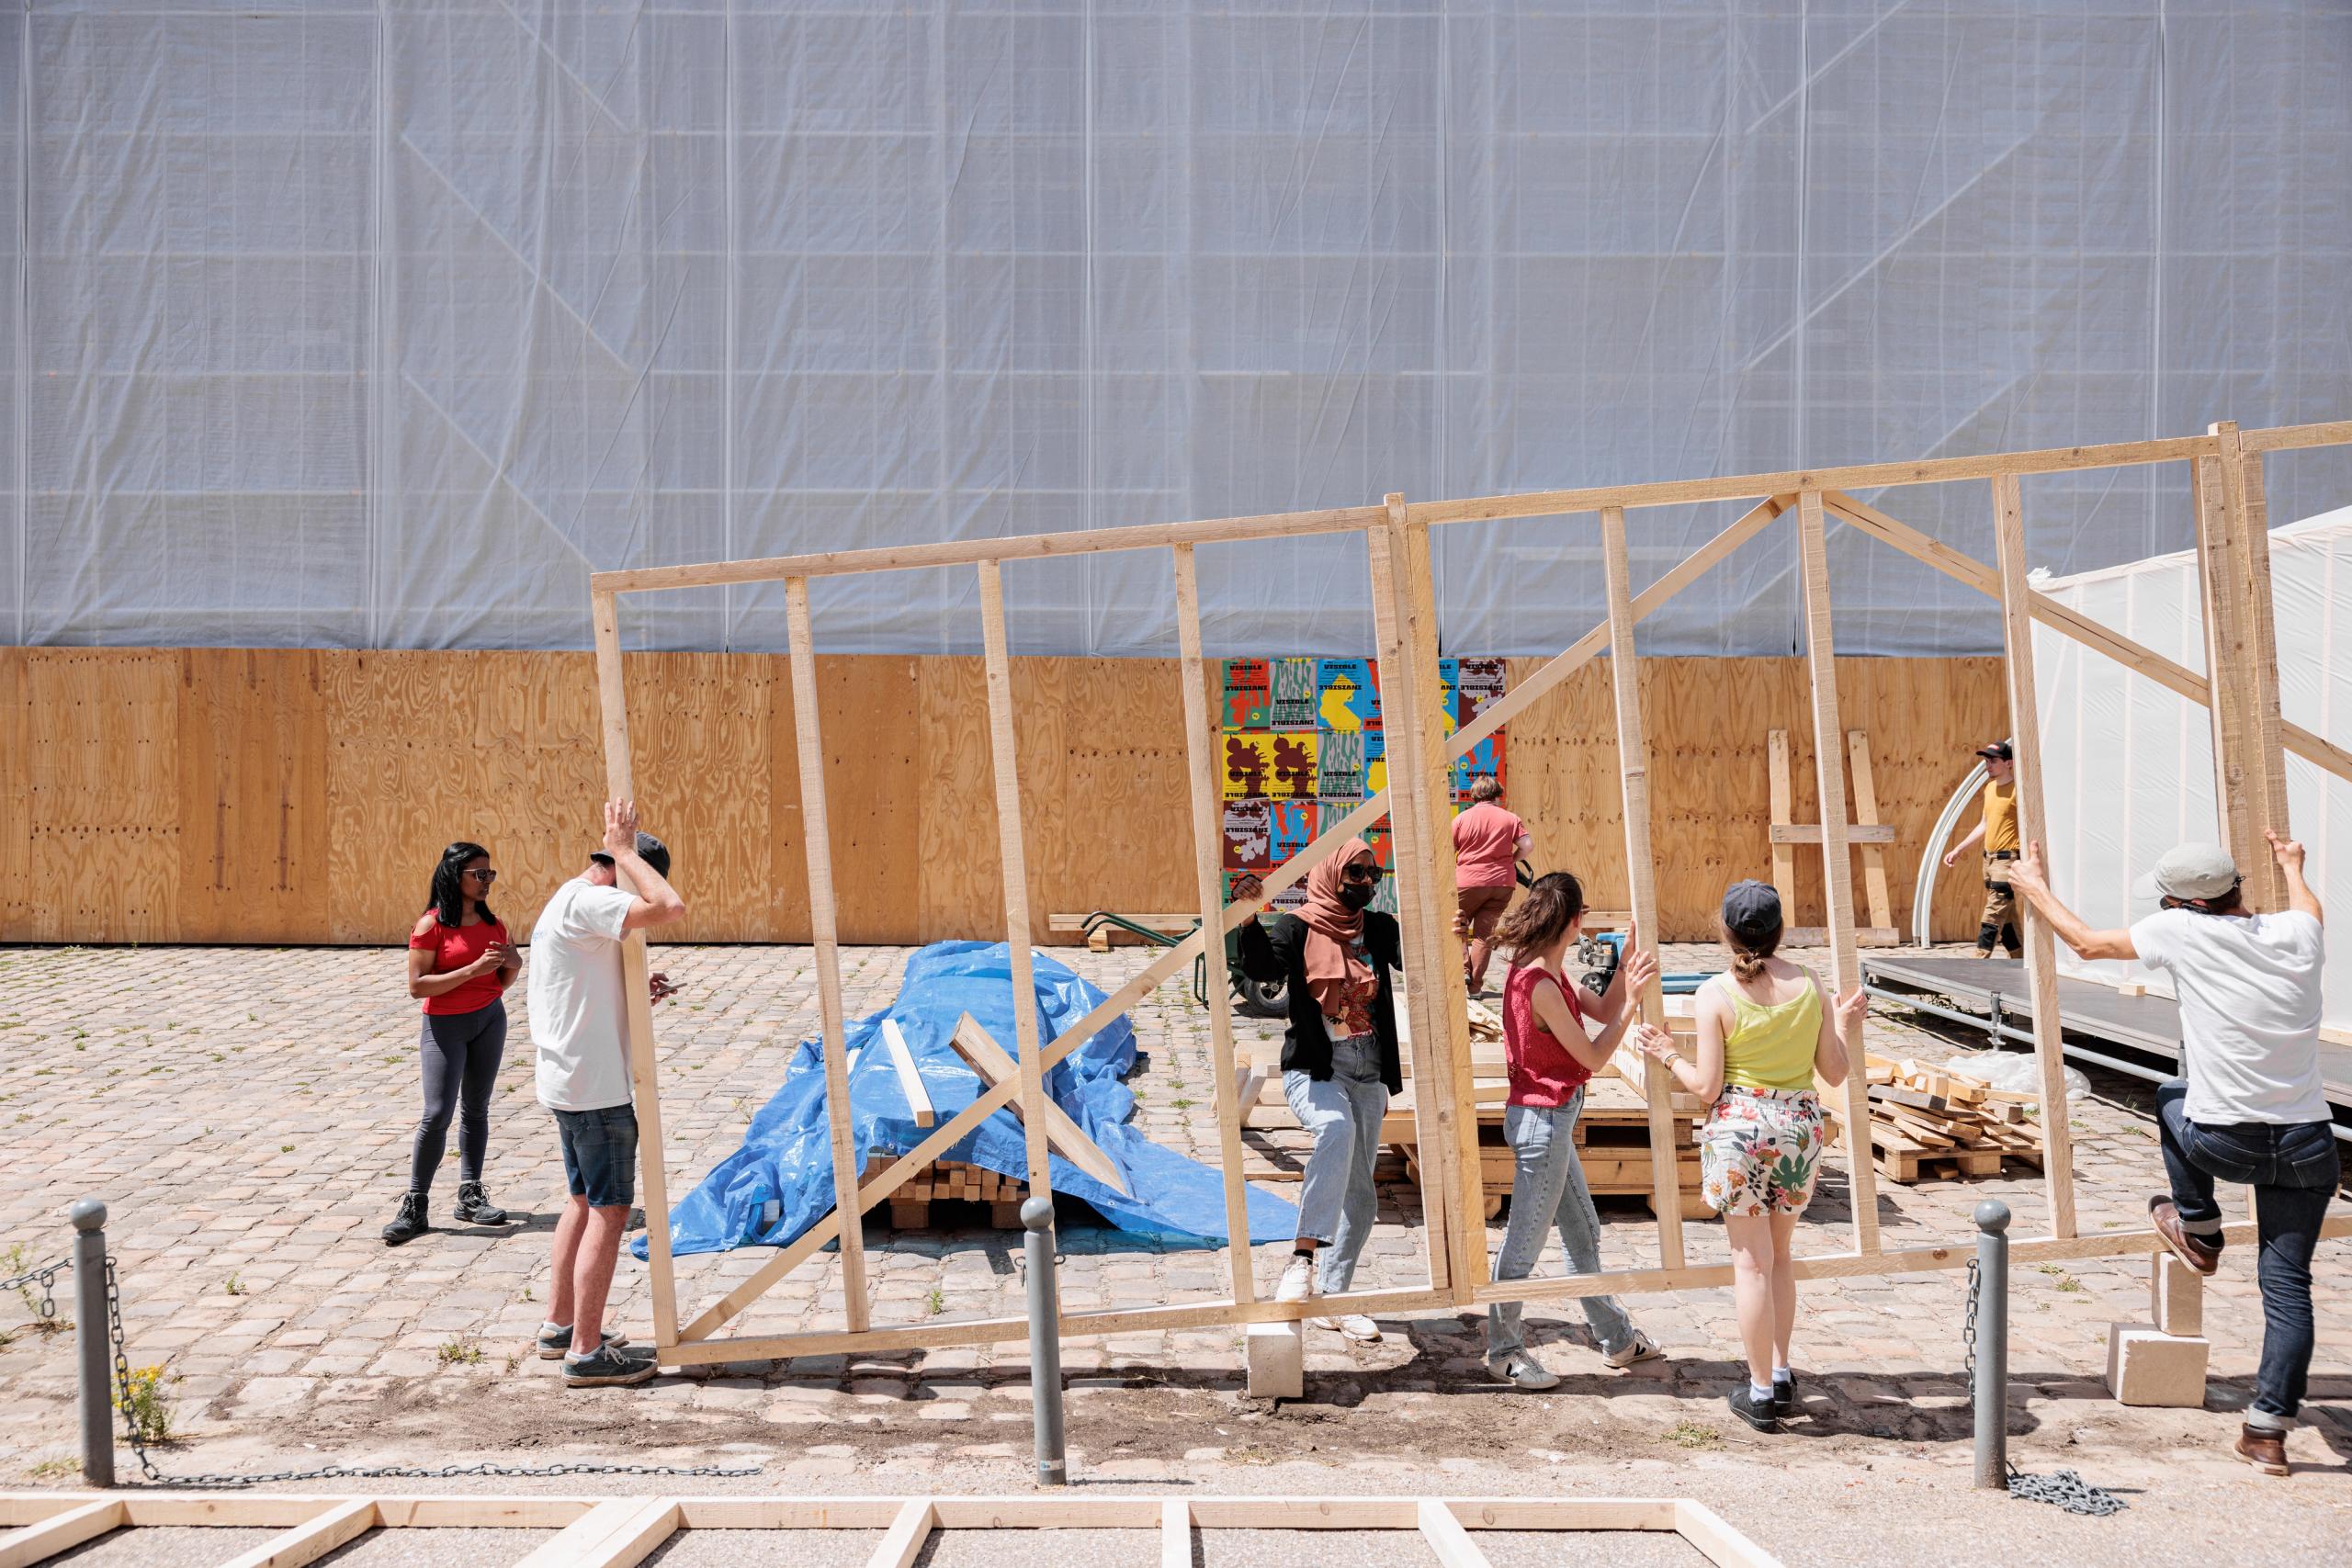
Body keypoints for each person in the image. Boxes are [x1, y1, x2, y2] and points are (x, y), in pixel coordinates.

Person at [2007, 829, 2330, 1476]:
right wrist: (2294, 865)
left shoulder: (2182, 933)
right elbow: (2308, 907)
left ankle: (2200, 1227)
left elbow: (2089, 944)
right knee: (2289, 1290)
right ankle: (2267, 1433)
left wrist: (2032, 886)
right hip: (2307, 1142)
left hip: (2224, 1138)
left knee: (2169, 1097)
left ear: (2185, 904)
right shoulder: (2297, 933)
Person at [1640, 880, 1861, 1433]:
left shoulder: (1715, 993)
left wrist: (1668, 1055)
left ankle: (1760, 1391)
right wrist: (1842, 1025)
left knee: (1750, 1263)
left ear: (1725, 931)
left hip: (1742, 1131)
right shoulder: (1811, 983)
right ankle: (1781, 1373)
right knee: (1781, 1259)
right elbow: (1835, 1074)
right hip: (1799, 1130)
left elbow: (1709, 1088)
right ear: (1781, 929)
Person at [1483, 872, 1668, 1387]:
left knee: (1583, 1232)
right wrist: (1633, 1004)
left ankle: (1616, 1339)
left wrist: (1625, 962)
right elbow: (1592, 1056)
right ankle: (1504, 1352)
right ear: (1574, 921)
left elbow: (1601, 1006)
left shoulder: (1544, 969)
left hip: (1552, 1121)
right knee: (1521, 1248)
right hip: (1543, 1124)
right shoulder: (1540, 982)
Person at [529, 799, 687, 1389]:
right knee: (611, 1208)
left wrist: (628, 991)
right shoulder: (595, 898)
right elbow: (668, 908)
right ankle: (586, 1351)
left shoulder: (571, 899)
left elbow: (576, 980)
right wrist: (626, 851)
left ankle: (560, 1326)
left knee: (581, 1200)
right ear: (616, 872)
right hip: (595, 1088)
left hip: (569, 1079)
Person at [1231, 842, 1398, 1343]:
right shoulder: (1297, 927)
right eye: (1356, 871)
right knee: (1333, 1126)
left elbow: (1423, 956)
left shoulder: (1378, 927)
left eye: (1374, 872)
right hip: (1318, 1068)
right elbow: (1263, 970)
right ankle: (1301, 1258)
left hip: (1369, 1071)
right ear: (1332, 874)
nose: (1366, 881)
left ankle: (1333, 1297)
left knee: (1362, 1195)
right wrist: (1246, 918)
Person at [384, 841, 521, 1247]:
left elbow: (499, 983)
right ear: (454, 876)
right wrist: (472, 968)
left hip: (489, 1020)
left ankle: (470, 1194)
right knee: (437, 1112)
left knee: (476, 1108)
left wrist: (511, 966)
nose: (487, 882)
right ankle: (415, 1203)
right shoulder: (430, 926)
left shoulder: (493, 924)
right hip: (444, 1026)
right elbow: (416, 986)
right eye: (479, 875)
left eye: (490, 874)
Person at [1452, 776, 1532, 996]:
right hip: (1502, 884)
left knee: (1456, 925)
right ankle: (1475, 988)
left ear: (1474, 795)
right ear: (1498, 795)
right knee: (1483, 936)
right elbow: (1527, 846)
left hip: (1467, 882)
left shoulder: (1461, 819)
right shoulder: (1511, 818)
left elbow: (1448, 849)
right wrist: (1511, 861)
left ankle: (1463, 969)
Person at [1941, 739, 2022, 957]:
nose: (1988, 765)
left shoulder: (2019, 791)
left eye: (1993, 761)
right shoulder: (1990, 788)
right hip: (1988, 860)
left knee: (1993, 913)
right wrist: (1958, 849)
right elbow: (1984, 825)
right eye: (1987, 761)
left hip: (2008, 860)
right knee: (2007, 916)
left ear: (2009, 763)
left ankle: (1978, 960)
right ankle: (2020, 958)